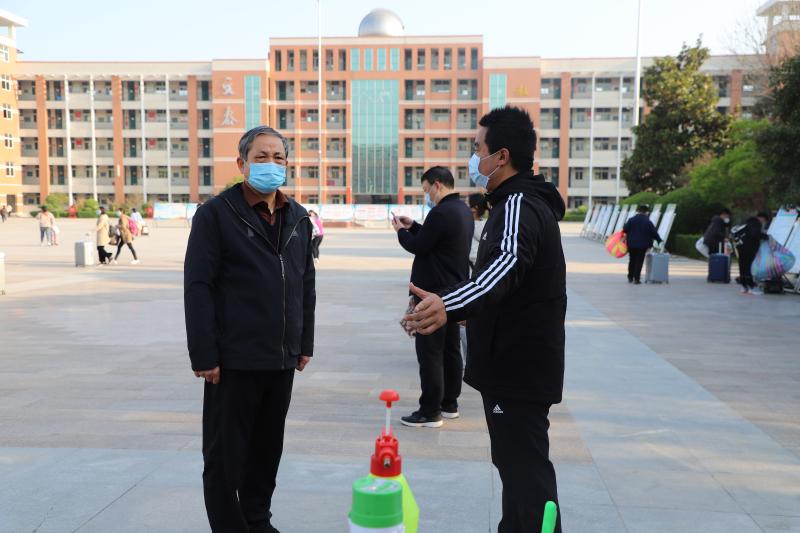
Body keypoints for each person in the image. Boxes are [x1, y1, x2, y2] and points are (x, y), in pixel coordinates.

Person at [403, 106, 566, 532]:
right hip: (515, 362)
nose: (474, 158)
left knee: (525, 473)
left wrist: (448, 304)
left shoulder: (518, 205)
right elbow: (510, 286)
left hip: (519, 367)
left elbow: (504, 267)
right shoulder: (511, 204)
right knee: (517, 468)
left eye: (478, 149)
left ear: (502, 156)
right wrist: (469, 314)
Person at [184, 125, 315, 533]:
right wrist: (204, 353)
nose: (271, 164)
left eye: (278, 157)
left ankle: (258, 519)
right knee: (224, 457)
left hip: (280, 357)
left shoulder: (298, 217)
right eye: (261, 157)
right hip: (233, 359)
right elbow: (198, 286)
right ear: (242, 164)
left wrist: (304, 342)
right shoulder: (216, 214)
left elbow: (306, 283)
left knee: (267, 450)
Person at [392, 166, 473, 428]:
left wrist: (401, 231)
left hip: (431, 294)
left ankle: (429, 411)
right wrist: (414, 225)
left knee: (430, 353)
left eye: (427, 190)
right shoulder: (462, 210)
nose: (427, 195)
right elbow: (435, 240)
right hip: (453, 293)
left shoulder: (440, 212)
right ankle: (449, 404)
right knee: (450, 350)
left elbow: (419, 246)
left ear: (437, 185)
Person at [622, 205, 663, 284]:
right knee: (639, 261)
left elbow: (625, 229)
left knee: (632, 260)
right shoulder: (648, 221)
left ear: (638, 211)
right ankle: (636, 279)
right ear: (646, 212)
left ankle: (630, 277)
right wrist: (659, 240)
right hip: (642, 245)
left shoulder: (631, 220)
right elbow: (653, 233)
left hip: (631, 244)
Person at [735, 211, 769, 295]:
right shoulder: (756, 223)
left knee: (742, 266)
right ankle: (751, 287)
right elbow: (755, 234)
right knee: (749, 267)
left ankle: (744, 287)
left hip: (741, 247)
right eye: (764, 221)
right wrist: (766, 236)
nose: (763, 222)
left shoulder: (747, 222)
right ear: (762, 218)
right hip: (749, 248)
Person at [467, 193, 488, 271]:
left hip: (472, 270)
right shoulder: (488, 224)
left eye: (467, 204)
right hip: (482, 269)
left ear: (474, 208)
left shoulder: (469, 226)